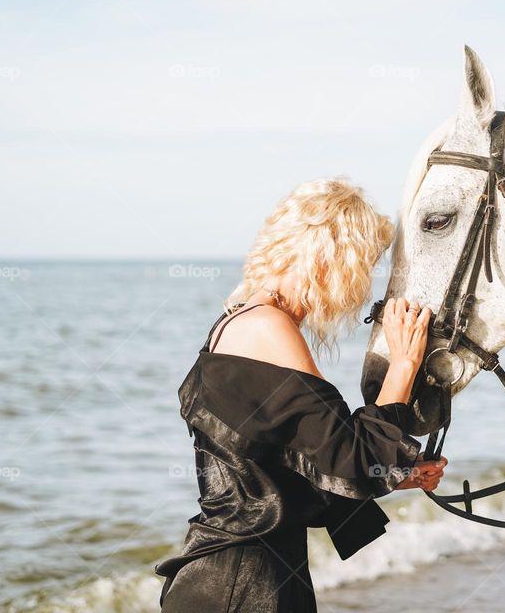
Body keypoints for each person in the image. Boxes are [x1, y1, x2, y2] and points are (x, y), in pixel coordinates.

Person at [155, 178, 447, 612]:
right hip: (247, 587)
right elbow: (351, 456)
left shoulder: (233, 323)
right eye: (363, 266)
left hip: (226, 581)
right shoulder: (269, 327)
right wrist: (403, 363)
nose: (363, 285)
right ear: (330, 260)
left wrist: (398, 474)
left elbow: (286, 481)